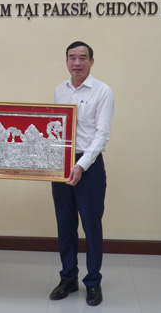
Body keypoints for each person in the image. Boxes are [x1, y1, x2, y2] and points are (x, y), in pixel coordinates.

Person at [49, 41, 114, 307]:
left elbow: (102, 135)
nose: (77, 62)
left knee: (91, 225)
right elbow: (54, 129)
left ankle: (93, 282)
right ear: (66, 62)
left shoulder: (103, 91)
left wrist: (81, 165)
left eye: (83, 58)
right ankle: (68, 278)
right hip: (61, 165)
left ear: (92, 61)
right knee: (65, 225)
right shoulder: (59, 90)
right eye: (72, 58)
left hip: (89, 166)